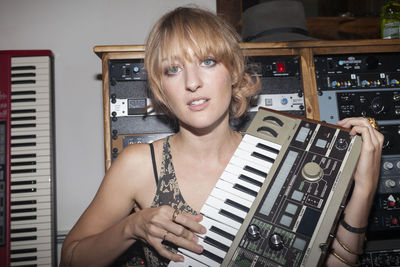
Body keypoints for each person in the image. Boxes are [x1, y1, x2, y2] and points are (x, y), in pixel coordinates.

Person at [60, 7, 384, 267]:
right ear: (161, 90)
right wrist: (131, 227)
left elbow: (336, 260)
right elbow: (71, 257)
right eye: (173, 69)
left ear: (233, 72)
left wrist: (365, 189)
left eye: (208, 61)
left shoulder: (283, 155)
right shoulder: (139, 166)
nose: (192, 82)